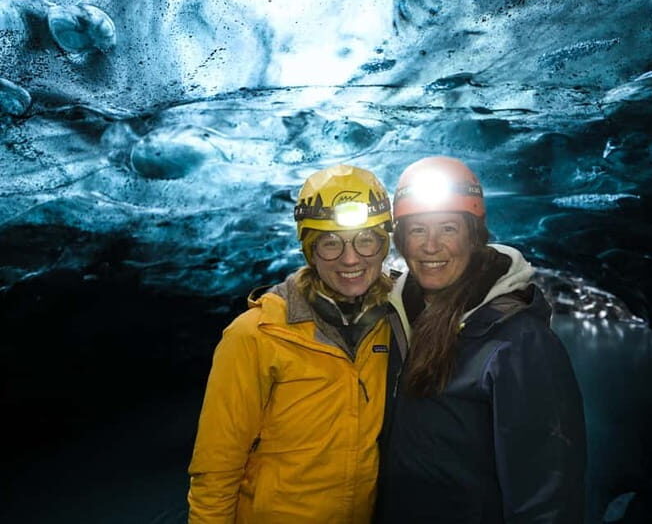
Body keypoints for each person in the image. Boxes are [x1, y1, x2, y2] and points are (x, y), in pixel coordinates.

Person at [377, 156, 587, 523]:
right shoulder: (396, 319)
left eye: (447, 228)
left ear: (474, 236)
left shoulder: (518, 342)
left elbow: (545, 494)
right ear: (401, 239)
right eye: (417, 230)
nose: (430, 246)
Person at [188, 165, 395, 523]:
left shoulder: (394, 323)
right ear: (309, 250)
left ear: (384, 244)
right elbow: (216, 466)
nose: (350, 259)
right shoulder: (256, 335)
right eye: (330, 243)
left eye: (366, 239)